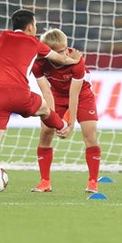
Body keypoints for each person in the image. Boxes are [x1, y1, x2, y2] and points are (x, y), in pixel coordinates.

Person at [0, 9, 82, 194]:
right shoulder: (35, 43)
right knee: (46, 110)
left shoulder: (0, 37)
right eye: (36, 25)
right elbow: (59, 59)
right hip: (20, 94)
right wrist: (73, 60)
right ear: (31, 27)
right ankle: (62, 125)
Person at [29, 28, 102, 194]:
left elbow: (74, 95)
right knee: (46, 131)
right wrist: (53, 119)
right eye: (59, 52)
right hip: (56, 95)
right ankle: (45, 182)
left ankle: (92, 182)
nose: (65, 54)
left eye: (65, 49)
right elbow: (46, 92)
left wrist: (69, 124)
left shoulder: (77, 61)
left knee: (89, 135)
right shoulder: (38, 64)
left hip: (82, 95)